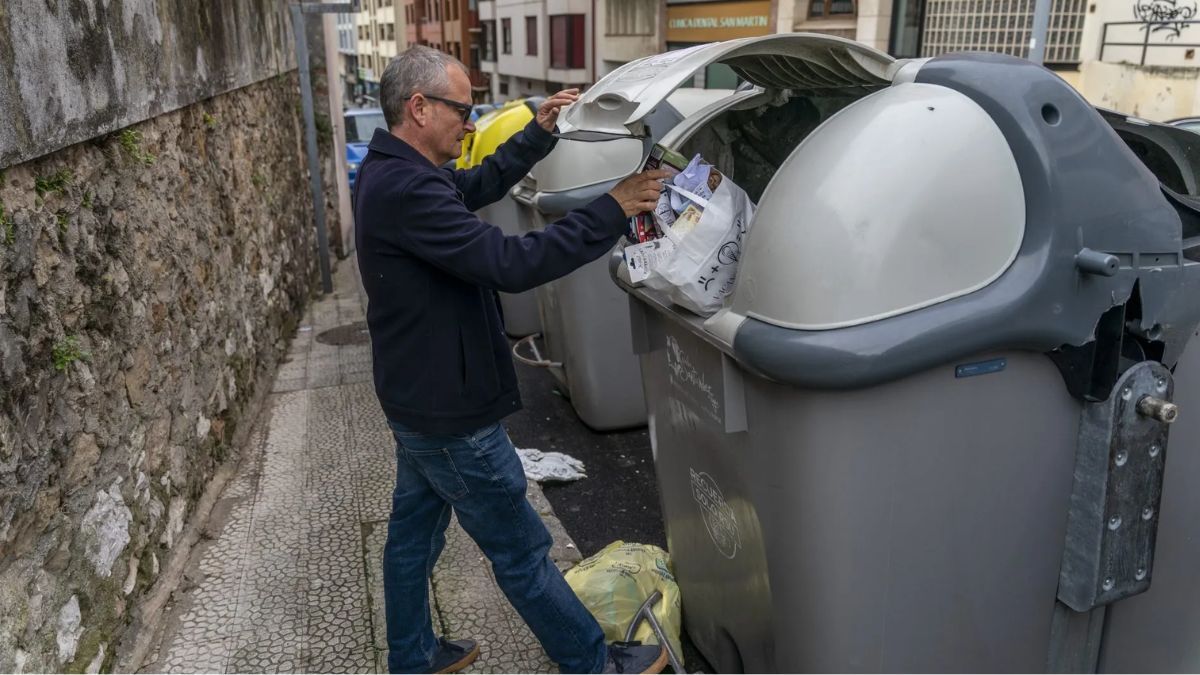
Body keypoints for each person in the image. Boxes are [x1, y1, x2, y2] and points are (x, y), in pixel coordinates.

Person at [354, 45, 670, 675]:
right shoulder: (407, 190)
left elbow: (473, 185)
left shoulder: (394, 173)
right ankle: (593, 664)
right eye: (462, 110)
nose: (470, 124)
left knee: (413, 538)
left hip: (418, 399)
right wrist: (612, 207)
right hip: (451, 414)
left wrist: (538, 134)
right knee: (522, 550)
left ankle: (412, 658)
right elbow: (511, 263)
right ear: (418, 108)